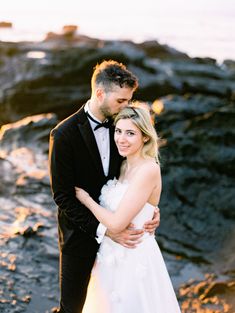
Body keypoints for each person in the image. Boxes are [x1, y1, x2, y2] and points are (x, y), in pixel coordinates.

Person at [49, 60, 160, 313]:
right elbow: (63, 197)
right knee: (72, 307)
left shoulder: (121, 129)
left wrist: (151, 208)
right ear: (100, 94)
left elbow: (135, 177)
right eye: (121, 101)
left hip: (122, 244)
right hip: (79, 237)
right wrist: (105, 230)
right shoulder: (63, 134)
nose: (126, 106)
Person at [76, 105, 181, 313]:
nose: (121, 139)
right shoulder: (122, 165)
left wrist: (86, 199)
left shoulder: (148, 169)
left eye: (130, 133)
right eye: (118, 131)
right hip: (108, 257)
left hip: (134, 259)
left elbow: (116, 223)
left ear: (145, 137)